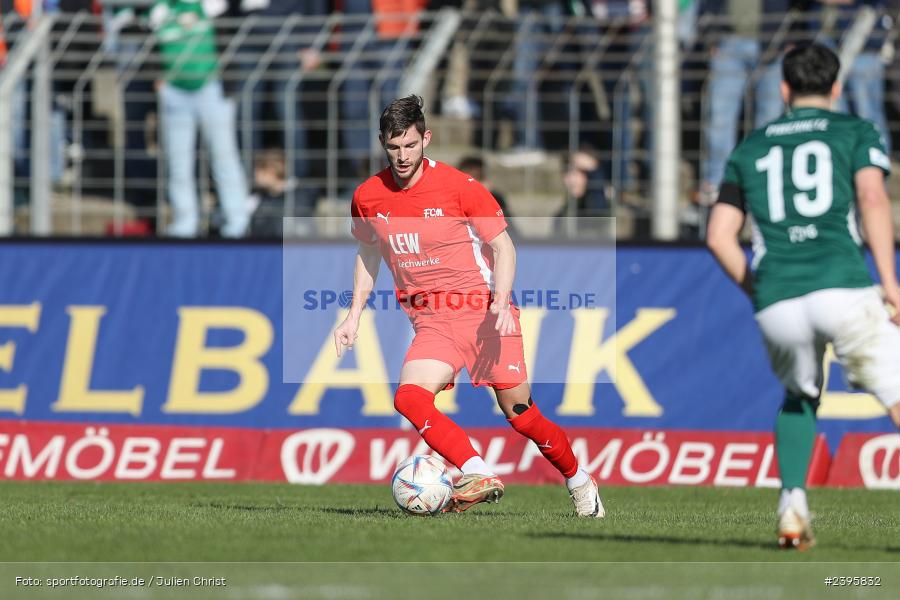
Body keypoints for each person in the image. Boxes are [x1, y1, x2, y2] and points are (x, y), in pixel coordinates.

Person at [334, 95, 604, 516]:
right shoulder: (369, 197)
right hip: (432, 321)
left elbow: (503, 247)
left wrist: (500, 297)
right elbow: (368, 253)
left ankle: (579, 480)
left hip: (481, 313)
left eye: (409, 145)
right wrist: (352, 316)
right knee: (409, 397)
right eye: (393, 147)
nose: (402, 156)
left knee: (521, 414)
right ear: (382, 144)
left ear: (426, 138)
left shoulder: (461, 187)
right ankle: (476, 469)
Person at [706, 43, 900, 550]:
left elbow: (718, 236)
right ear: (837, 88)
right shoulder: (855, 131)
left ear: (784, 89)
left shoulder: (750, 146)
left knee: (799, 395)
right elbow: (872, 197)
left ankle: (792, 505)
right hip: (842, 285)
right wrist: (891, 282)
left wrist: (758, 291)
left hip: (778, 298)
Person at [151, 0, 250, 237]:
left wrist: (229, 84)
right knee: (178, 163)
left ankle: (237, 223)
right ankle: (185, 223)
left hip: (212, 89)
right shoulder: (159, 10)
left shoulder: (212, 5)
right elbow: (146, 46)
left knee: (224, 156)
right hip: (174, 92)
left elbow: (230, 35)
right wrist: (156, 78)